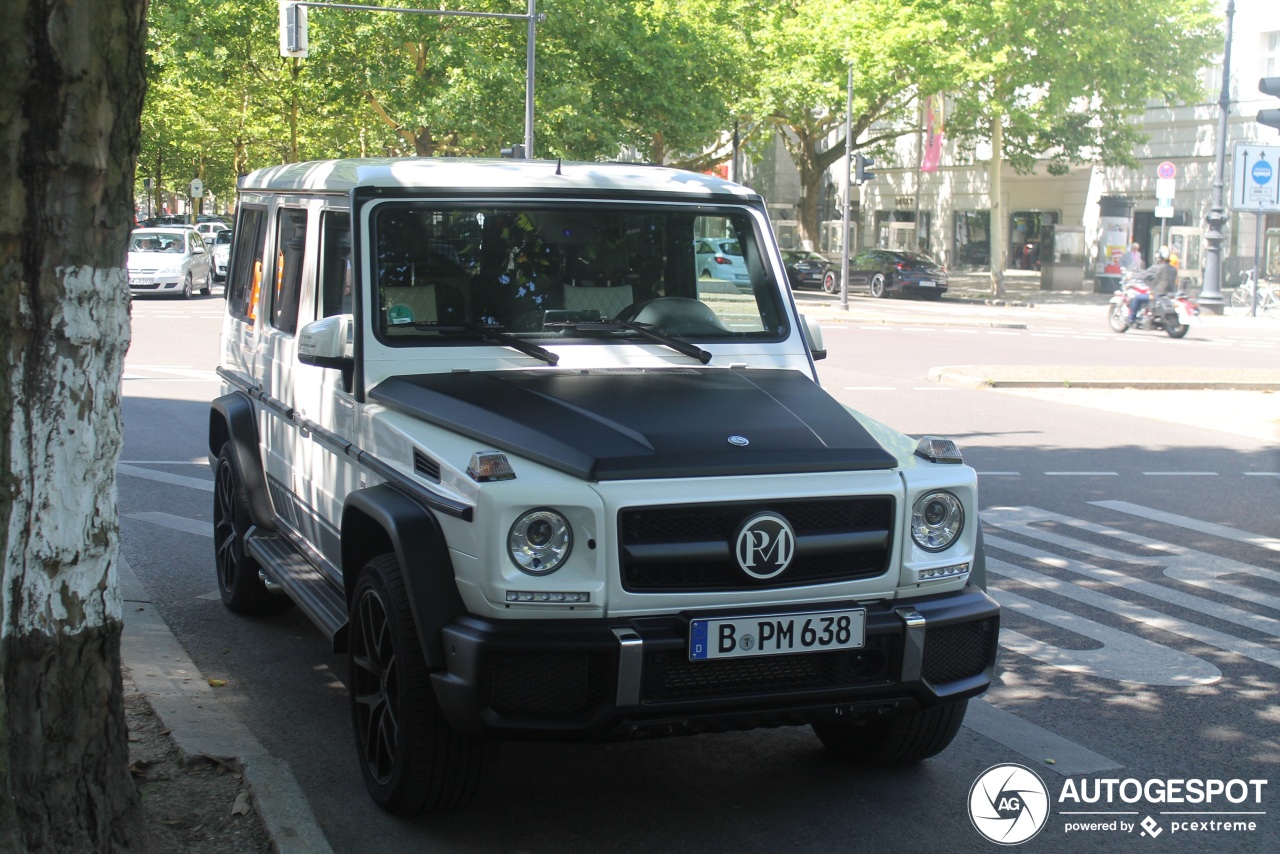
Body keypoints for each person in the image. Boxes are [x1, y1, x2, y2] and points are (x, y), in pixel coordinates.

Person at [1128, 246, 1177, 326]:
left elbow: (1144, 275)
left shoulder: (1157, 268)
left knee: (1137, 298)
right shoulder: (1173, 269)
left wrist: (1132, 276)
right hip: (1170, 295)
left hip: (1157, 295)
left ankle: (1131, 319)